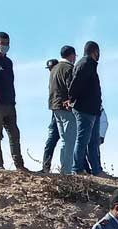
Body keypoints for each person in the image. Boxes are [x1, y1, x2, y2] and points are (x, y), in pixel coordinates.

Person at [0, 31, 30, 172]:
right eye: (2, 43)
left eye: (7, 43)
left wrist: (13, 100)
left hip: (9, 103)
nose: (5, 46)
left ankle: (19, 164)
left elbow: (10, 82)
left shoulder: (8, 62)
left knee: (14, 134)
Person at [69, 41, 105, 177]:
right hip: (85, 108)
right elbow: (75, 85)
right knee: (83, 139)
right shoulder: (85, 64)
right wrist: (71, 99)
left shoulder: (89, 64)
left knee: (94, 141)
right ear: (95, 51)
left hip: (93, 109)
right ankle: (77, 168)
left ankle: (96, 170)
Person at [48, 46, 77, 175]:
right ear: (72, 55)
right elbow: (71, 87)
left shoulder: (54, 68)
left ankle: (65, 168)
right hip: (65, 106)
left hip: (54, 106)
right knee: (69, 140)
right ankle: (66, 170)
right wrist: (72, 101)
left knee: (64, 139)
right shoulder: (69, 68)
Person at [41, 59, 60, 173]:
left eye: (52, 68)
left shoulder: (61, 76)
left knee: (70, 141)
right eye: (49, 69)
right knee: (51, 141)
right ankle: (45, 167)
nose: (51, 70)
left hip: (64, 112)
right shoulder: (52, 80)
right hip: (55, 113)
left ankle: (83, 168)